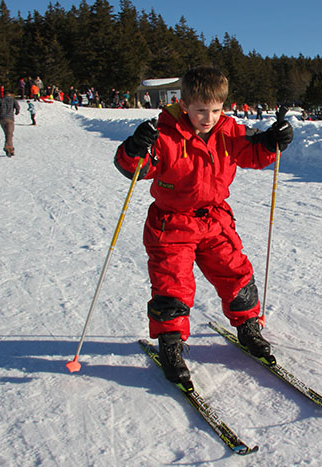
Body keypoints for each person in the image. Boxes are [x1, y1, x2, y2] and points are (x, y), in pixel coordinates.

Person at [114, 66, 293, 387]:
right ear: (184, 105)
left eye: (215, 110)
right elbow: (137, 167)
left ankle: (248, 325)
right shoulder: (165, 135)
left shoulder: (230, 132)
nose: (208, 118)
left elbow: (254, 153)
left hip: (215, 219)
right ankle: (170, 342)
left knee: (235, 272)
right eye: (200, 111)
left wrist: (273, 141)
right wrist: (134, 148)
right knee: (172, 284)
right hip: (171, 223)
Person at [0, 91, 21, 156]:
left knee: (8, 134)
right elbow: (17, 107)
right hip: (10, 118)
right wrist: (17, 112)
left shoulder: (0, 100)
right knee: (9, 134)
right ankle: (7, 146)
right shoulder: (13, 100)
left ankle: (11, 149)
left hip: (2, 119)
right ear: (10, 95)